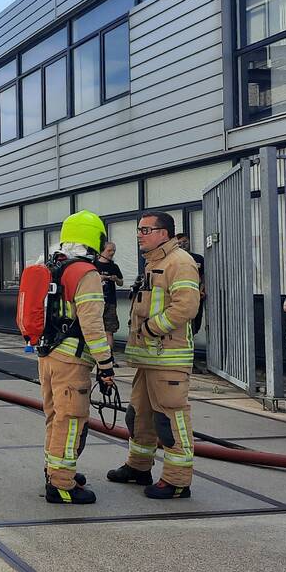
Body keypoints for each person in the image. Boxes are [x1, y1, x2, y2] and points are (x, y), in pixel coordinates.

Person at [108, 212, 200, 499]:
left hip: (168, 358)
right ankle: (138, 467)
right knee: (139, 417)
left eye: (145, 229)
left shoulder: (179, 263)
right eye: (139, 229)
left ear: (164, 233)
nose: (139, 234)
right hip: (148, 359)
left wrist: (149, 329)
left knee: (170, 420)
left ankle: (177, 481)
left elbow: (186, 308)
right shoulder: (154, 263)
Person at [39, 211, 116, 505]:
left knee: (55, 417)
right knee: (71, 420)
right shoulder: (86, 274)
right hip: (71, 360)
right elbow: (93, 326)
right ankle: (61, 485)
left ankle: (54, 468)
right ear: (94, 239)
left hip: (47, 354)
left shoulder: (51, 265)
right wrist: (106, 365)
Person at [175, 233, 206, 336]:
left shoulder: (198, 258)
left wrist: (201, 290)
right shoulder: (173, 260)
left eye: (185, 242)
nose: (182, 245)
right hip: (180, 298)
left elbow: (204, 276)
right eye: (179, 243)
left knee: (195, 326)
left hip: (196, 297)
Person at [96, 241, 124, 351]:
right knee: (95, 331)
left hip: (110, 302)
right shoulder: (94, 265)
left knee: (109, 331)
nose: (112, 253)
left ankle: (110, 357)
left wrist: (116, 279)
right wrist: (99, 278)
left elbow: (121, 282)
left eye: (114, 251)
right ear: (102, 250)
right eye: (109, 250)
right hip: (96, 302)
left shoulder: (114, 266)